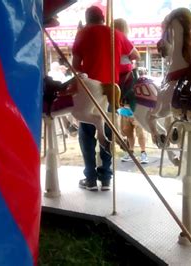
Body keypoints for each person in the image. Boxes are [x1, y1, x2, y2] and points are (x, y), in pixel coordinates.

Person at [72, 6, 139, 191]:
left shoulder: (82, 34)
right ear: (103, 18)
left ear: (87, 20)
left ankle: (91, 178)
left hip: (90, 90)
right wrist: (116, 60)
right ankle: (106, 177)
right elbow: (135, 56)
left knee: (87, 133)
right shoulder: (116, 34)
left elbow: (76, 65)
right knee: (109, 131)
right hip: (112, 89)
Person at [113, 18, 149, 164]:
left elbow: (135, 56)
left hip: (119, 79)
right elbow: (136, 55)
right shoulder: (122, 39)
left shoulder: (114, 39)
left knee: (131, 123)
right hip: (125, 79)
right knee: (129, 125)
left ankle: (140, 151)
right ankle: (135, 151)